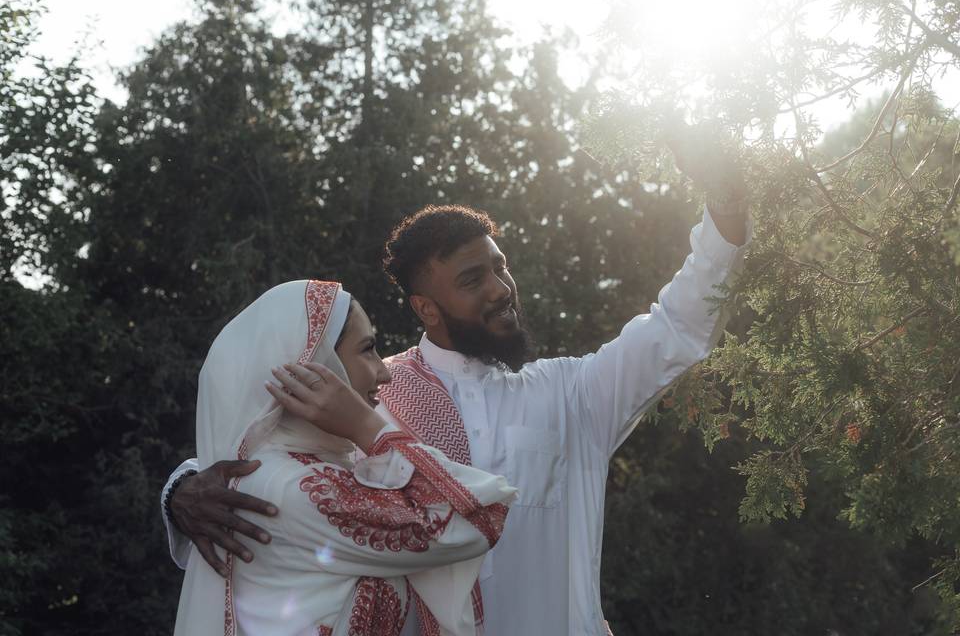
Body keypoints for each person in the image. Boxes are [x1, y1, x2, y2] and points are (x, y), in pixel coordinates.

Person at [163, 130, 751, 634]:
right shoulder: (371, 394)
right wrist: (183, 490)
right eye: (473, 278)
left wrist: (723, 213)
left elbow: (676, 328)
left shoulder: (572, 394)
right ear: (426, 308)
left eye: (500, 267)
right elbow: (267, 444)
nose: (500, 287)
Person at [172, 279, 517, 635]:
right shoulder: (291, 487)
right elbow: (478, 518)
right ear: (315, 365)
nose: (384, 372)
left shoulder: (306, 468)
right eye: (367, 349)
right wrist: (367, 426)